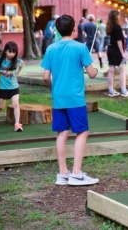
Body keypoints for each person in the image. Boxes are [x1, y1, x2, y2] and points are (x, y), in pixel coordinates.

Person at [41, 14, 99, 186]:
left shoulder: (51, 49)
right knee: (82, 132)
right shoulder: (81, 48)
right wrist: (94, 69)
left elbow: (45, 77)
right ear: (74, 28)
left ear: (57, 30)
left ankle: (63, 174)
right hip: (75, 99)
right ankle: (76, 174)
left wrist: (54, 89)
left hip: (58, 98)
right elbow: (92, 73)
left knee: (62, 133)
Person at [0, 41, 24, 132]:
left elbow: (22, 64)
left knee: (16, 104)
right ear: (5, 51)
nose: (12, 54)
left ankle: (17, 124)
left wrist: (18, 74)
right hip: (2, 87)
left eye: (14, 52)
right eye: (10, 51)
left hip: (14, 87)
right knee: (0, 107)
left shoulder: (17, 61)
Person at [106, 10, 128, 98]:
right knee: (122, 69)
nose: (120, 17)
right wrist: (123, 53)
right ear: (116, 17)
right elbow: (119, 41)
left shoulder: (109, 27)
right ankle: (124, 90)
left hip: (110, 49)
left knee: (111, 69)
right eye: (118, 16)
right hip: (116, 49)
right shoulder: (117, 27)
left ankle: (111, 90)